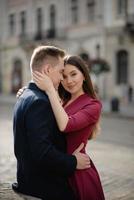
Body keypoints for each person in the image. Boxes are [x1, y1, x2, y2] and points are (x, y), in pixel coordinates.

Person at [12, 46, 91, 200]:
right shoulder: (40, 102)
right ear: (48, 69)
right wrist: (74, 162)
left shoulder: (27, 95)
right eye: (61, 72)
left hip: (30, 181)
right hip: (44, 188)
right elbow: (42, 152)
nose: (63, 78)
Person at [32, 55, 105, 200]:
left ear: (84, 75)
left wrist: (50, 90)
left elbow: (66, 125)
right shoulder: (62, 101)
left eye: (73, 74)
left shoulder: (93, 105)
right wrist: (29, 92)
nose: (69, 81)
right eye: (64, 76)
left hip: (78, 173)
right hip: (59, 168)